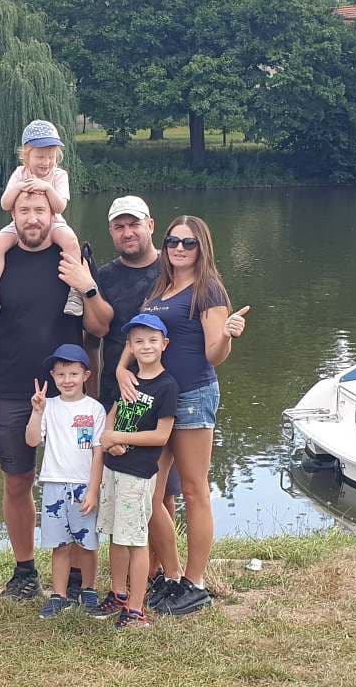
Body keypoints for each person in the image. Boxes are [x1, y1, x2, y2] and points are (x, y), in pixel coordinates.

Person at [0, 188, 110, 602]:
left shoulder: (72, 258)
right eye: (24, 210)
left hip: (70, 395)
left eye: (40, 210)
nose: (32, 218)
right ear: (12, 215)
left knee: (79, 481)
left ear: (53, 214)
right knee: (18, 482)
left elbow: (99, 327)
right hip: (13, 390)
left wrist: (86, 286)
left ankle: (79, 575)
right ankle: (25, 571)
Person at [116, 216, 250, 616]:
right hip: (154, 398)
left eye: (188, 243)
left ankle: (196, 582)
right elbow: (140, 334)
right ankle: (173, 575)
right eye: (173, 241)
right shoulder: (160, 287)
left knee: (194, 490)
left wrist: (227, 335)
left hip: (193, 394)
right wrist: (122, 368)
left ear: (201, 247)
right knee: (149, 493)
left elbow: (213, 355)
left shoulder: (209, 289)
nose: (178, 248)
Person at [84, 195, 183, 599]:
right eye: (119, 226)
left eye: (134, 224)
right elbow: (95, 335)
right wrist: (98, 391)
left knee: (163, 490)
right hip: (119, 395)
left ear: (151, 225)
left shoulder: (172, 267)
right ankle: (126, 583)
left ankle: (162, 572)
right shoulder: (105, 276)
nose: (127, 233)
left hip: (163, 392)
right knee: (126, 485)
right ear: (112, 232)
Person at [90, 314, 178, 629]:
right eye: (138, 341)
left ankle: (136, 610)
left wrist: (120, 438)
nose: (146, 346)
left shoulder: (167, 386)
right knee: (116, 534)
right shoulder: (128, 380)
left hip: (138, 475)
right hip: (113, 469)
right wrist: (109, 438)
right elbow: (113, 415)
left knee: (136, 539)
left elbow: (161, 436)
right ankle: (119, 593)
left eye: (152, 340)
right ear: (130, 345)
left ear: (164, 344)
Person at [26, 344, 105, 619]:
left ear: (86, 375)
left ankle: (89, 590)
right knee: (60, 545)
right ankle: (59, 595)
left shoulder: (95, 409)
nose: (67, 380)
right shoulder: (49, 406)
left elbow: (98, 453)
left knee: (87, 544)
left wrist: (93, 490)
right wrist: (37, 411)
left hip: (84, 486)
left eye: (73, 374)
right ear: (53, 376)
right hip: (54, 484)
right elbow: (32, 440)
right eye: (61, 374)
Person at [0, 119, 85, 318]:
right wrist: (18, 187)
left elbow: (60, 207)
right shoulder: (20, 173)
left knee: (70, 241)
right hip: (20, 225)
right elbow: (5, 204)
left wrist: (47, 188)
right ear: (27, 156)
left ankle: (75, 292)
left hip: (53, 223)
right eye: (40, 157)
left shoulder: (59, 175)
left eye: (51, 157)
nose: (46, 162)